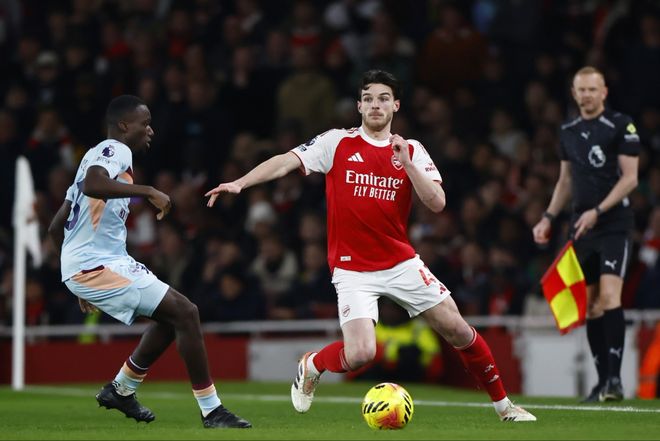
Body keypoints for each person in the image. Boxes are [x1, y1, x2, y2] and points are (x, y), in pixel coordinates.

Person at [206, 70, 536, 422]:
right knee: (362, 353)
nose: (375, 105)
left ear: (396, 105)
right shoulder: (337, 142)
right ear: (359, 106)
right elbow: (286, 160)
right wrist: (241, 183)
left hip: (400, 261)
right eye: (368, 99)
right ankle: (313, 364)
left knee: (457, 328)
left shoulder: (411, 150)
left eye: (383, 98)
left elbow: (437, 203)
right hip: (352, 268)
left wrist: (407, 164)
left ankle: (505, 408)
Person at [47, 95, 251, 429]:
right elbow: (95, 185)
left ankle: (121, 390)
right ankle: (212, 410)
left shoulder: (90, 160)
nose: (150, 130)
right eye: (145, 123)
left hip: (95, 264)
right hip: (97, 264)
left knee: (171, 318)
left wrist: (74, 275)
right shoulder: (115, 150)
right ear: (124, 125)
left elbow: (56, 227)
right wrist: (149, 191)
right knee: (187, 313)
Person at [532, 66, 640, 402]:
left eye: (593, 89)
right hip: (581, 227)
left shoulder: (621, 125)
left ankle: (616, 381)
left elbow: (631, 178)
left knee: (609, 296)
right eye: (582, 89)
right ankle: (602, 381)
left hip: (613, 224)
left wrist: (598, 211)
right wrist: (548, 217)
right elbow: (565, 181)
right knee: (591, 306)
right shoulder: (568, 130)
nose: (587, 95)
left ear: (604, 92)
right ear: (574, 93)